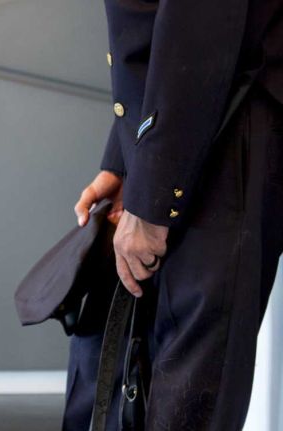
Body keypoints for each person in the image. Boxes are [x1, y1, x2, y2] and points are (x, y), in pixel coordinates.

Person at [67, 1, 283, 429]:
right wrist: (126, 159)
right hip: (191, 130)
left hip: (223, 126)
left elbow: (200, 23)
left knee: (190, 398)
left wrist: (153, 195)